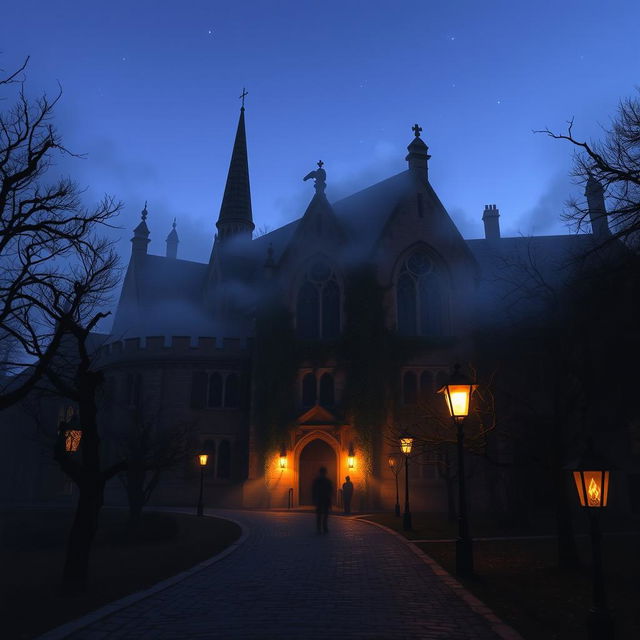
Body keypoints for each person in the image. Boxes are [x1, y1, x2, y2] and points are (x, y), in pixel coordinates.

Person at [312, 466, 333, 533]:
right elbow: (330, 491)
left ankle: (319, 528)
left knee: (320, 515)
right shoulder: (328, 481)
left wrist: (314, 499)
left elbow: (314, 490)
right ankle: (324, 527)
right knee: (324, 515)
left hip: (320, 499)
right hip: (325, 499)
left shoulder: (317, 481)